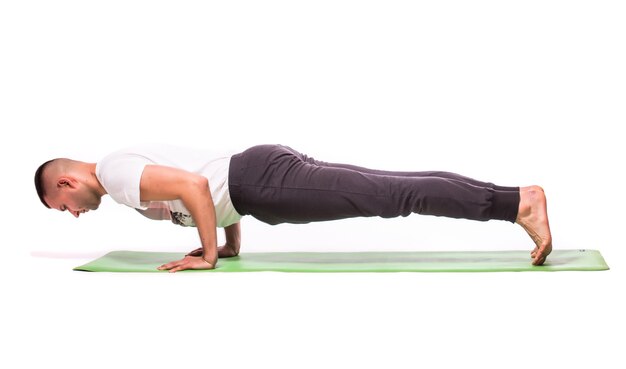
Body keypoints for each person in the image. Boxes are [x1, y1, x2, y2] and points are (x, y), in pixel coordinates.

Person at [34, 144, 553, 272]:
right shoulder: (120, 175)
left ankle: (516, 203)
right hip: (256, 185)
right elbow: (209, 193)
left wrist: (210, 255)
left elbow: (196, 185)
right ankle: (512, 202)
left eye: (65, 206)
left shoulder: (117, 176)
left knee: (397, 194)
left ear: (66, 181)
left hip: (262, 181)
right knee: (395, 190)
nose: (74, 214)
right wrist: (229, 243)